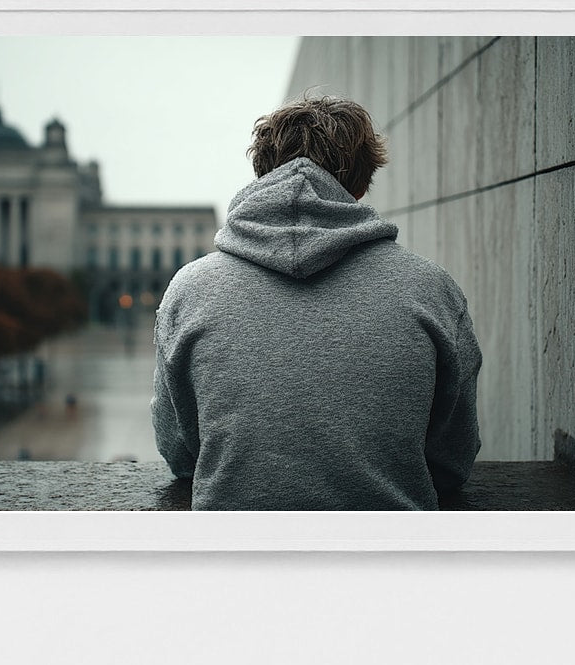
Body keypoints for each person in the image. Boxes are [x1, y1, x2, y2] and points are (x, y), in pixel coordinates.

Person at [151, 93, 482, 510]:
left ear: (261, 174)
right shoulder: (432, 289)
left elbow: (180, 453)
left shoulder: (189, 290)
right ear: (361, 184)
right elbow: (453, 461)